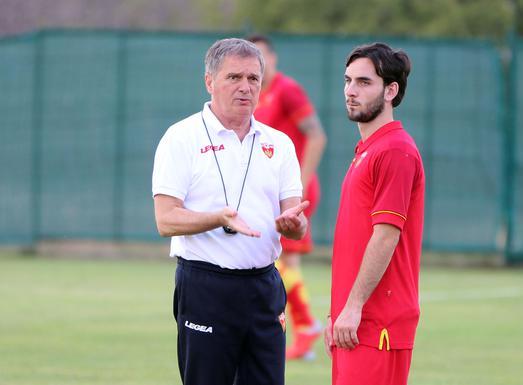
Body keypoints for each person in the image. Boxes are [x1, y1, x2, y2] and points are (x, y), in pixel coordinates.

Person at [152, 37, 309, 385]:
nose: (245, 87)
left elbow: (296, 224)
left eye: (253, 79)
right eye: (233, 77)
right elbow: (165, 219)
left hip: (264, 286)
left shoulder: (279, 143)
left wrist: (294, 224)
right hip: (206, 286)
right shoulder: (181, 138)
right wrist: (218, 218)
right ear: (209, 82)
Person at [324, 42, 424, 385]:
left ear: (390, 91)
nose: (351, 91)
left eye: (364, 82)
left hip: (377, 323)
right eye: (348, 80)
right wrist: (335, 312)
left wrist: (352, 308)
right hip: (354, 323)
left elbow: (386, 235)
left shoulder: (395, 150)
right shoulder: (368, 149)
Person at [246, 34, 328, 361]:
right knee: (281, 262)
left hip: (293, 193)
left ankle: (306, 326)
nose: (259, 66)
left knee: (285, 261)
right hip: (269, 193)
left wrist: (302, 185)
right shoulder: (252, 95)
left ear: (274, 59)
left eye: (263, 58)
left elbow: (317, 135)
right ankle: (304, 326)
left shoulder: (286, 89)